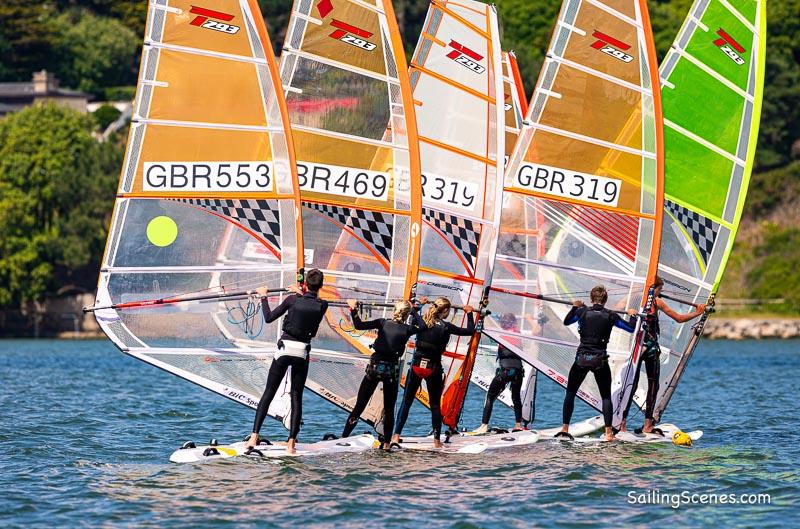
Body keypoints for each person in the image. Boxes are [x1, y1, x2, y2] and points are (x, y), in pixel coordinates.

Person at [246, 269, 328, 454]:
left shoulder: (292, 300)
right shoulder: (324, 305)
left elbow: (268, 318)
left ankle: (253, 436)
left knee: (269, 392)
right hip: (302, 353)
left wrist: (263, 296)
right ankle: (291, 442)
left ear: (305, 283)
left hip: (284, 350)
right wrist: (302, 293)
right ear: (321, 286)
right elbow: (312, 301)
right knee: (296, 397)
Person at [619, 276, 705, 434]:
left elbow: (617, 308)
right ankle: (647, 425)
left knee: (632, 384)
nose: (661, 293)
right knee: (653, 385)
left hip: (638, 348)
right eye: (660, 290)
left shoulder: (634, 298)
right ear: (654, 288)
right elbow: (679, 318)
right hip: (650, 348)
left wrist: (630, 311)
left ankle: (622, 424)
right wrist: (697, 313)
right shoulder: (657, 302)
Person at [391, 297, 477, 448]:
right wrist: (469, 313)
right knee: (435, 405)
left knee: (406, 402)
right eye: (448, 311)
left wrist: (419, 307)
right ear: (444, 311)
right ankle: (437, 441)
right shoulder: (446, 326)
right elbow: (470, 331)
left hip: (417, 366)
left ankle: (396, 436)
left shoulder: (421, 321)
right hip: (433, 368)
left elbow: (411, 322)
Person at [558, 285, 638, 442]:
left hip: (582, 358)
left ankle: (565, 429)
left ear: (591, 298)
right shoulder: (611, 315)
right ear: (605, 300)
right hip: (599, 360)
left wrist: (574, 308)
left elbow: (567, 322)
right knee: (606, 397)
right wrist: (632, 316)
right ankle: (609, 433)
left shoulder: (582, 312)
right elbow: (630, 328)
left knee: (570, 394)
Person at [340, 299, 419, 450]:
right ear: (407, 314)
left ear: (395, 311)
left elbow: (358, 325)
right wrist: (415, 310)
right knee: (389, 409)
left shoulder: (382, 322)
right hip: (391, 371)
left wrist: (353, 309)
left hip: (375, 368)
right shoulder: (408, 329)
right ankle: (387, 444)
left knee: (360, 405)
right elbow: (422, 326)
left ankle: (343, 438)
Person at [474, 313, 525, 434]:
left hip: (505, 372)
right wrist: (529, 318)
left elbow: (484, 328)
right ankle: (518, 425)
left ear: (504, 324)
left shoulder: (502, 335)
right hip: (518, 373)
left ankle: (484, 426)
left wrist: (481, 317)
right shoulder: (517, 334)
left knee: (490, 397)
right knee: (516, 398)